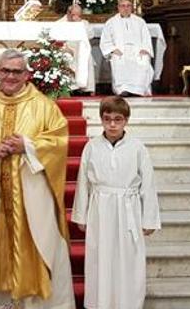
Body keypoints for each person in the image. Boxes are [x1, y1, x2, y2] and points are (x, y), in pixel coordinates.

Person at [0, 49, 74, 309]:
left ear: (27, 74)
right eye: (6, 71)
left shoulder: (44, 106)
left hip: (33, 196)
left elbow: (58, 140)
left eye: (17, 71)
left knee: (38, 242)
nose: (10, 76)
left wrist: (29, 146)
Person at [72, 96, 160, 309]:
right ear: (101, 119)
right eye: (107, 119)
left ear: (126, 120)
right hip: (100, 211)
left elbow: (148, 184)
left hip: (128, 209)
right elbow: (83, 182)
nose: (112, 124)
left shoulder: (137, 147)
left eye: (118, 119)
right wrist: (81, 215)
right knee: (100, 260)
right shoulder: (92, 147)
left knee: (129, 261)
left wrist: (149, 219)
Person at [99, 0, 154, 96]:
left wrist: (145, 49)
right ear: (118, 8)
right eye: (123, 6)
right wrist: (112, 49)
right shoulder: (111, 22)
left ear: (132, 8)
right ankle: (122, 89)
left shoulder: (140, 22)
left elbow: (146, 38)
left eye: (128, 6)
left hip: (137, 50)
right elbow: (105, 40)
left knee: (144, 59)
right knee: (118, 59)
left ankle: (139, 90)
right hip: (120, 50)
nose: (126, 8)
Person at [56, 4, 96, 93]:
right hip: (66, 48)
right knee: (67, 57)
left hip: (81, 48)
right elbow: (57, 39)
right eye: (74, 15)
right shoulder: (60, 23)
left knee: (87, 57)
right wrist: (65, 48)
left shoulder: (84, 23)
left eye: (78, 15)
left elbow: (90, 35)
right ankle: (71, 87)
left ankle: (86, 88)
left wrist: (79, 24)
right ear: (68, 13)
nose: (76, 17)